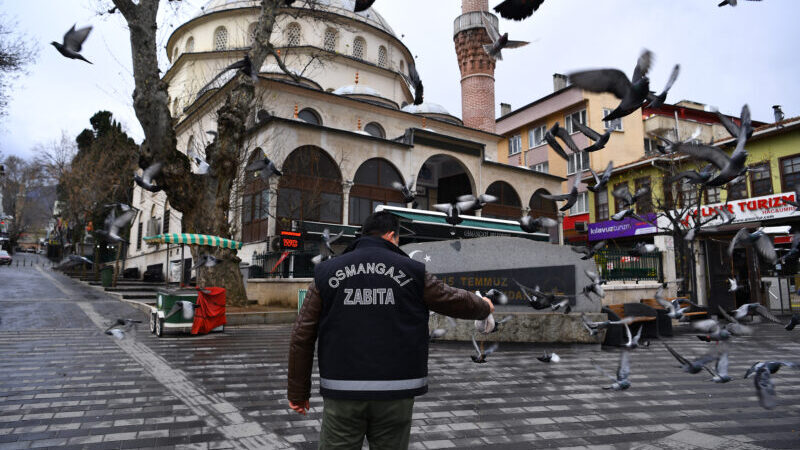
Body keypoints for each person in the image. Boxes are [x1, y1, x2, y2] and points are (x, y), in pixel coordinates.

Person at [287, 211, 494, 449]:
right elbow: (451, 299)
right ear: (390, 235)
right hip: (396, 390)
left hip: (342, 390)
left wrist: (298, 392)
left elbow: (301, 335)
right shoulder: (412, 270)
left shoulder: (327, 272)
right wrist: (484, 307)